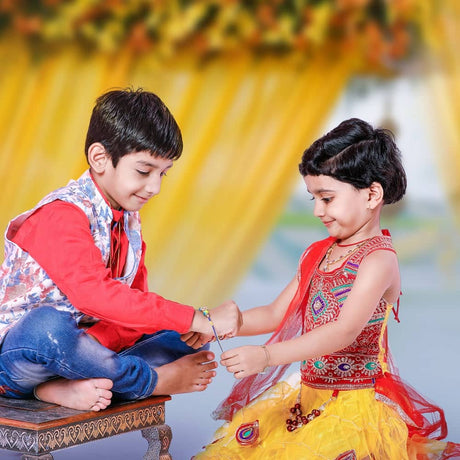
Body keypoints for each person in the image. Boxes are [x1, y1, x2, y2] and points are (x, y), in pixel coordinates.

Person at [191, 118, 460, 459]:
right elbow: (276, 313)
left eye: (327, 198)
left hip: (354, 405)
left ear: (372, 194)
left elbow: (343, 331)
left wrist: (266, 356)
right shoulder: (319, 253)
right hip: (307, 396)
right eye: (313, 198)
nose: (318, 210)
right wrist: (217, 323)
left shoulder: (379, 260)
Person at [0, 88, 241, 412]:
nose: (154, 187)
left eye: (162, 174)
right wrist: (195, 317)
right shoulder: (62, 214)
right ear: (99, 158)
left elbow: (133, 309)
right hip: (24, 355)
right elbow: (95, 296)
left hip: (81, 351)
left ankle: (71, 382)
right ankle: (147, 381)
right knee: (49, 327)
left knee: (183, 340)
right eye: (144, 171)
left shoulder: (129, 224)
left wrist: (90, 351)